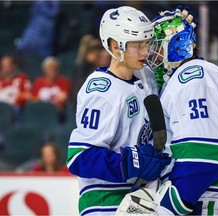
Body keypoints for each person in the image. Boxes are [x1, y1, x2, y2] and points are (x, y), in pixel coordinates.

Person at [145, 6, 218, 215]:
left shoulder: (193, 76)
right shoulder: (189, 77)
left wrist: (167, 208)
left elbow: (206, 156)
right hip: (205, 197)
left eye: (157, 48)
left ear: (176, 45)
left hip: (209, 200)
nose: (154, 57)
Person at [66, 6, 171, 215]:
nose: (145, 51)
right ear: (116, 47)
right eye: (137, 45)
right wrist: (129, 162)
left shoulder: (145, 77)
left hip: (141, 199)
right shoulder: (101, 92)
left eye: (146, 43)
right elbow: (79, 157)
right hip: (105, 203)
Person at [32, 56, 71, 123]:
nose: (53, 70)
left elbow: (65, 97)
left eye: (55, 68)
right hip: (40, 111)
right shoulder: (38, 82)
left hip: (57, 113)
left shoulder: (64, 81)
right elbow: (33, 99)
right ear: (44, 70)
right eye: (50, 68)